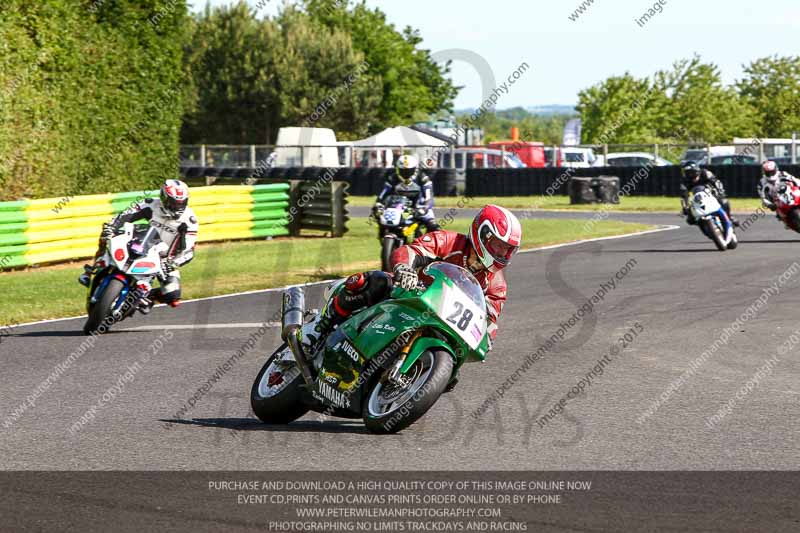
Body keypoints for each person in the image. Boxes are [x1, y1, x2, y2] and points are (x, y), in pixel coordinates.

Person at [301, 205, 522, 390]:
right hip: (408, 293)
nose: (502, 254)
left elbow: (488, 320)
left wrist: (487, 336)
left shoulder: (497, 285)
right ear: (482, 234)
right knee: (374, 281)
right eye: (498, 246)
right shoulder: (449, 241)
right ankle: (320, 327)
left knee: (451, 378)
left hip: (442, 323)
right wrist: (404, 268)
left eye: (507, 250)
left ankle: (400, 384)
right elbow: (411, 250)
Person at [78, 179, 198, 311]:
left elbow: (188, 250)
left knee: (173, 296)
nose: (177, 207)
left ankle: (147, 298)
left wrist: (172, 263)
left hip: (163, 259)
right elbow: (125, 215)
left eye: (181, 203)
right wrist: (112, 227)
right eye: (173, 202)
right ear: (164, 197)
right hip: (140, 242)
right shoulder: (150, 204)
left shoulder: (190, 220)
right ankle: (92, 270)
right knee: (106, 234)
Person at [373, 154, 440, 234]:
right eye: (403, 171)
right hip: (399, 206)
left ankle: (430, 243)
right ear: (398, 169)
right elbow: (383, 193)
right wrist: (378, 204)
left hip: (419, 207)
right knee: (380, 218)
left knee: (433, 225)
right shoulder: (393, 178)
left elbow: (429, 197)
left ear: (415, 169)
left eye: (409, 171)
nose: (405, 173)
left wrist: (425, 208)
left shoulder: (422, 178)